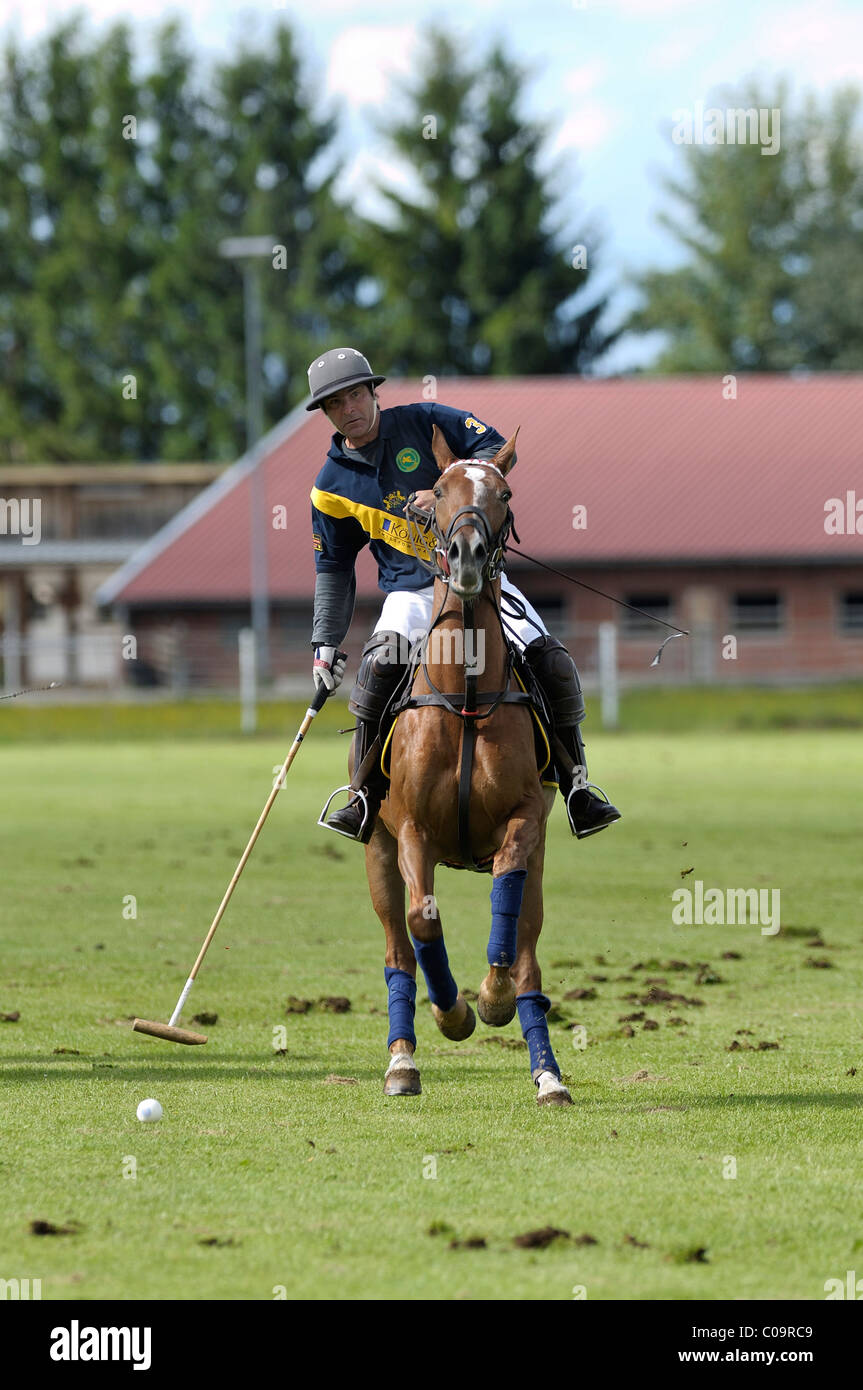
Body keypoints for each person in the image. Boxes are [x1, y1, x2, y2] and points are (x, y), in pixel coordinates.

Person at [306, 346, 621, 843]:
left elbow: (496, 449)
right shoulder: (330, 487)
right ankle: (362, 796)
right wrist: (325, 642)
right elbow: (334, 566)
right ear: (325, 413)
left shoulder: (426, 420)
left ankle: (579, 786)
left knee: (552, 659)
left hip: (484, 579)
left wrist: (445, 487)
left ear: (373, 392)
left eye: (356, 395)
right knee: (378, 667)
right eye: (336, 403)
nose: (350, 409)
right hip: (411, 593)